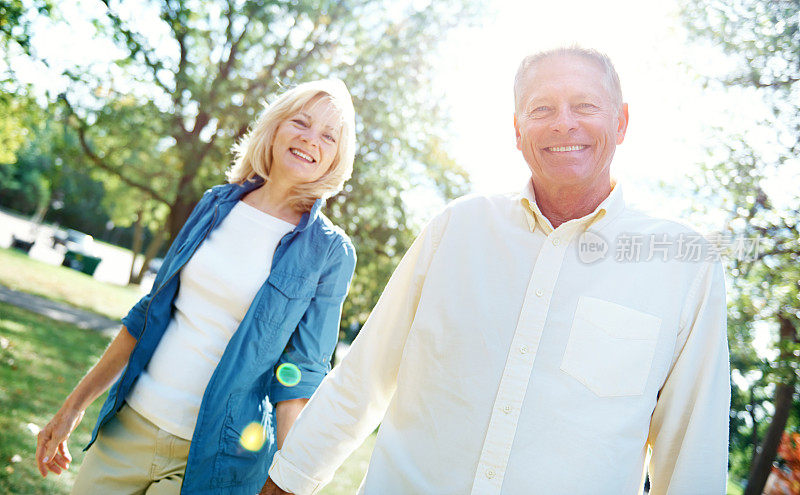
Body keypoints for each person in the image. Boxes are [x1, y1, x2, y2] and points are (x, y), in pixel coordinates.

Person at [261, 47, 730, 495]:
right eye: (542, 108)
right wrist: (285, 485)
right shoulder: (456, 228)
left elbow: (692, 453)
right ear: (517, 128)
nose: (564, 123)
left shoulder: (684, 265)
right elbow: (362, 378)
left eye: (584, 105)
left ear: (622, 121)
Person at [35, 78, 358, 495]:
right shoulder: (214, 204)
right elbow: (149, 314)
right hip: (128, 428)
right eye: (301, 122)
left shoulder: (329, 252)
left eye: (328, 136)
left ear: (336, 158)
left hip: (214, 462)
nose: (310, 139)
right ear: (276, 128)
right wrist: (72, 408)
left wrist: (287, 484)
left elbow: (302, 374)